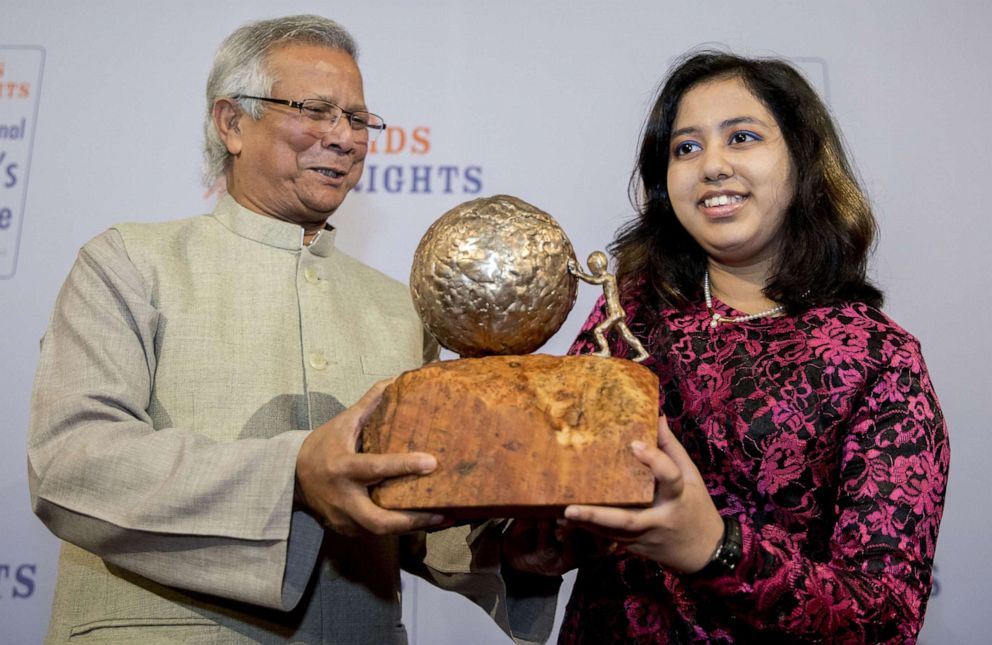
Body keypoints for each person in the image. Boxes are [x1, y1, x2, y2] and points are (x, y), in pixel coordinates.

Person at [27, 15, 556, 644]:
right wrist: (294, 476)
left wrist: (521, 547)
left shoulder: (401, 307)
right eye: (315, 109)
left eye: (358, 119)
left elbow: (411, 512)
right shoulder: (129, 263)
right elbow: (72, 462)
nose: (343, 138)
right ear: (231, 123)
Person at [522, 51, 949, 643]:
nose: (712, 166)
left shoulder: (879, 358)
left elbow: (884, 619)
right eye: (686, 148)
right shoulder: (631, 313)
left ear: (803, 162)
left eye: (742, 137)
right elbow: (564, 487)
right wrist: (535, 543)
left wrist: (714, 549)